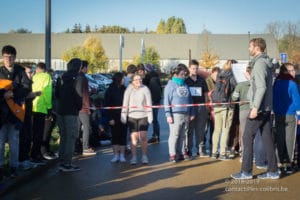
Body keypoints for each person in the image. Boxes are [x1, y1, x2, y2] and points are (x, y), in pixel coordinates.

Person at [231, 38, 279, 180]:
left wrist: (255, 107)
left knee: (246, 137)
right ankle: (273, 171)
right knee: (267, 139)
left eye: (250, 46)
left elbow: (261, 87)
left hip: (259, 108)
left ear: (257, 47)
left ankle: (246, 172)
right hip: (266, 107)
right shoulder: (266, 63)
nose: (248, 49)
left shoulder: (259, 64)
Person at [0, 45, 32, 179]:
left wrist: (11, 93)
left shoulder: (20, 72)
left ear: (15, 57)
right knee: (0, 143)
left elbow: (26, 88)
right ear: (2, 57)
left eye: (11, 57)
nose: (8, 59)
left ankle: (14, 167)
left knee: (14, 143)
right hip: (1, 114)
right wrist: (3, 95)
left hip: (16, 114)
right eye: (6, 56)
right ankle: (1, 169)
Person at [56, 58, 83, 172]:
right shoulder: (78, 78)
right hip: (71, 112)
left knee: (63, 136)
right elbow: (78, 96)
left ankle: (61, 161)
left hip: (60, 110)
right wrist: (78, 107)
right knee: (71, 138)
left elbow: (56, 94)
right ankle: (67, 163)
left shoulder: (61, 77)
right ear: (79, 67)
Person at [164, 64, 195, 162]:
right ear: (176, 74)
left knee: (183, 135)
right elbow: (166, 101)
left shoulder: (185, 84)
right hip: (175, 114)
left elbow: (190, 99)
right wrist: (168, 114)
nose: (183, 76)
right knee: (175, 134)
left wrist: (192, 112)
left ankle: (181, 152)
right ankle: (172, 154)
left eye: (184, 75)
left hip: (186, 113)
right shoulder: (170, 85)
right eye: (182, 74)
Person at [273, 63, 300, 174]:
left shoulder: (276, 83)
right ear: (286, 72)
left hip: (279, 115)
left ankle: (279, 163)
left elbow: (273, 100)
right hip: (290, 115)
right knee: (290, 140)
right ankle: (288, 164)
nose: (294, 72)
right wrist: (297, 114)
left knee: (280, 139)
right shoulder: (292, 84)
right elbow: (297, 102)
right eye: (291, 70)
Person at [121, 74, 153, 165]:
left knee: (143, 137)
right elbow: (125, 104)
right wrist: (123, 116)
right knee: (134, 138)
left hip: (143, 116)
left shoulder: (145, 89)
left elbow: (149, 104)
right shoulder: (128, 90)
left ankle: (144, 156)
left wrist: (150, 117)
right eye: (136, 79)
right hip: (132, 116)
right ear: (132, 81)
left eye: (140, 79)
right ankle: (134, 157)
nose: (139, 81)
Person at [211, 59, 237, 160]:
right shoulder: (232, 75)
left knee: (217, 130)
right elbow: (236, 87)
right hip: (227, 105)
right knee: (225, 130)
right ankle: (222, 153)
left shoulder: (220, 74)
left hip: (217, 104)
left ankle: (214, 152)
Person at [185, 59, 209, 157]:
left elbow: (206, 93)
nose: (195, 70)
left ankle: (200, 149)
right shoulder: (186, 81)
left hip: (201, 108)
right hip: (190, 108)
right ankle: (189, 150)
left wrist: (206, 106)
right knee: (190, 130)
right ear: (189, 69)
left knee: (201, 130)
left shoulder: (202, 80)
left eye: (196, 68)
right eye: (193, 68)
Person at [30, 62, 52, 164]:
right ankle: (37, 155)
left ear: (37, 69)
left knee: (34, 133)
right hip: (42, 107)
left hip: (32, 106)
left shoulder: (33, 77)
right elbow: (47, 92)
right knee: (40, 133)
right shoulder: (47, 76)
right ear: (45, 69)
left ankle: (34, 154)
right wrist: (49, 107)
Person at [75, 60, 96, 156]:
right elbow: (82, 94)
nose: (87, 69)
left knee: (78, 128)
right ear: (83, 68)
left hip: (78, 107)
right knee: (86, 127)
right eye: (86, 67)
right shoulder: (82, 78)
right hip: (83, 108)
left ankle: (77, 147)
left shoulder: (76, 77)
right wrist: (87, 107)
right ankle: (85, 147)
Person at [105, 72, 127, 162]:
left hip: (123, 116)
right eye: (123, 78)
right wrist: (110, 118)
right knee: (115, 136)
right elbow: (107, 105)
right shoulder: (110, 90)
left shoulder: (124, 89)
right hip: (113, 117)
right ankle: (115, 155)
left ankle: (122, 155)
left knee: (123, 136)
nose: (124, 80)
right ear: (119, 79)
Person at [144, 66, 162, 144]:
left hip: (152, 102)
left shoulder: (150, 79)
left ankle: (145, 136)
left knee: (148, 120)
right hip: (156, 101)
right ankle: (156, 136)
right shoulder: (156, 78)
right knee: (154, 120)